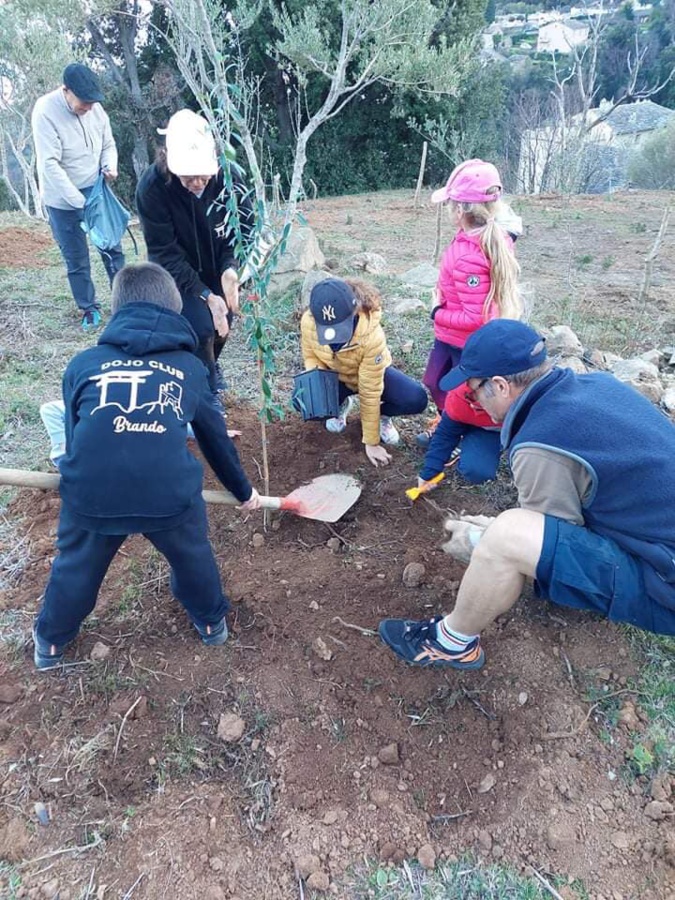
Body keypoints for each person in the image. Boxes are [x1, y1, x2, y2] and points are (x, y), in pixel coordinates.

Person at [379, 320, 675, 671]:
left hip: (663, 582)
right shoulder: (598, 386)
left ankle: (451, 643)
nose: (472, 400)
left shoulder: (539, 442)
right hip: (661, 540)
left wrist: (479, 540)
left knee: (506, 538)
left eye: (473, 391)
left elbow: (554, 540)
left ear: (500, 386)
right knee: (508, 531)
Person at [32, 262, 261, 671]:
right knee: (193, 557)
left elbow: (73, 439)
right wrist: (245, 492)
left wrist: (79, 479)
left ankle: (51, 642)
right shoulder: (191, 368)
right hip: (167, 494)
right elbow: (215, 439)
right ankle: (211, 623)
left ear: (117, 309)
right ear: (174, 311)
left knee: (76, 568)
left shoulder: (83, 364)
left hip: (92, 494)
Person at [135, 109, 254, 396]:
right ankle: (204, 389)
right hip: (179, 272)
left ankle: (210, 365)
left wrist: (230, 268)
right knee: (200, 328)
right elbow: (165, 253)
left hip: (221, 265)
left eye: (203, 175)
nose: (198, 182)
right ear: (169, 161)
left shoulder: (230, 177)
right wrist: (205, 294)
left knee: (223, 321)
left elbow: (244, 230)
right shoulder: (152, 188)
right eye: (188, 176)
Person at [417, 159, 522, 448]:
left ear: (462, 208)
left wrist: (437, 312)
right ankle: (450, 422)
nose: (449, 208)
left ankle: (455, 432)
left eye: (451, 203)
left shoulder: (470, 255)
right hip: (454, 337)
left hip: (464, 341)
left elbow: (476, 317)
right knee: (435, 380)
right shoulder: (480, 237)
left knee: (456, 391)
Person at [32, 63, 125, 330]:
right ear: (66, 91)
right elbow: (50, 165)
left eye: (93, 103)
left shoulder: (96, 110)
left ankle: (124, 303)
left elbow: (109, 144)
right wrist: (79, 203)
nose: (89, 108)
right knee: (76, 257)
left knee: (112, 248)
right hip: (61, 198)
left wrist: (110, 165)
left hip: (95, 189)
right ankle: (88, 308)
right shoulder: (45, 111)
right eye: (84, 103)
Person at [300, 278, 428, 468]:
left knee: (416, 398)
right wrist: (319, 385)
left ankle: (382, 416)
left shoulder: (371, 336)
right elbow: (310, 355)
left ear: (354, 310)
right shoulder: (309, 322)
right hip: (337, 376)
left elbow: (370, 391)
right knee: (306, 402)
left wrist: (371, 442)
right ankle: (341, 406)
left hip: (370, 375)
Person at [416, 380, 501, 489]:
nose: (473, 405)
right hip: (477, 425)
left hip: (500, 428)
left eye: (477, 397)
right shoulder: (459, 396)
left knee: (480, 472)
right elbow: (446, 435)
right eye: (470, 397)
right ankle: (462, 439)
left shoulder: (521, 399)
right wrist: (429, 473)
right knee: (476, 471)